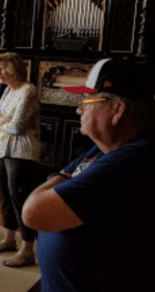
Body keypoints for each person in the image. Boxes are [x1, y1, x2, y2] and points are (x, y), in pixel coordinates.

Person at [22, 58, 155, 292]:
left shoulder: (132, 160)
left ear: (118, 109)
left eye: (87, 100)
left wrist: (59, 178)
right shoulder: (107, 147)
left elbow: (34, 213)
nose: (79, 109)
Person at [0, 52, 41, 267]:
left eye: (2, 69)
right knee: (5, 196)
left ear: (15, 68)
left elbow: (18, 126)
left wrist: (4, 123)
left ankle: (27, 249)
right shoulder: (8, 91)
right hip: (0, 149)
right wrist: (4, 121)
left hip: (22, 151)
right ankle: (9, 239)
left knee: (19, 196)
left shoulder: (28, 90)